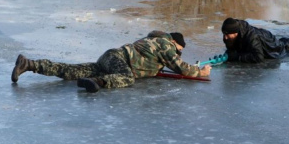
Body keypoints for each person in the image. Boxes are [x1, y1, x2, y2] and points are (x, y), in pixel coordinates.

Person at [11, 30, 212, 93]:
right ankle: (98, 82)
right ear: (175, 42)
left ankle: (29, 64)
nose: (179, 54)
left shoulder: (152, 40)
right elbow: (181, 68)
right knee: (127, 78)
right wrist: (202, 71)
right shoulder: (165, 44)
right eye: (180, 50)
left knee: (71, 70)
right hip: (119, 61)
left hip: (109, 57)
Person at [221, 17, 289, 63]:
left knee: (284, 44)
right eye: (224, 34)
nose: (225, 37)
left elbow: (258, 57)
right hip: (260, 35)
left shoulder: (251, 37)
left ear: (235, 33)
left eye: (227, 35)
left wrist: (237, 56)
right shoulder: (228, 36)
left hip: (269, 41)